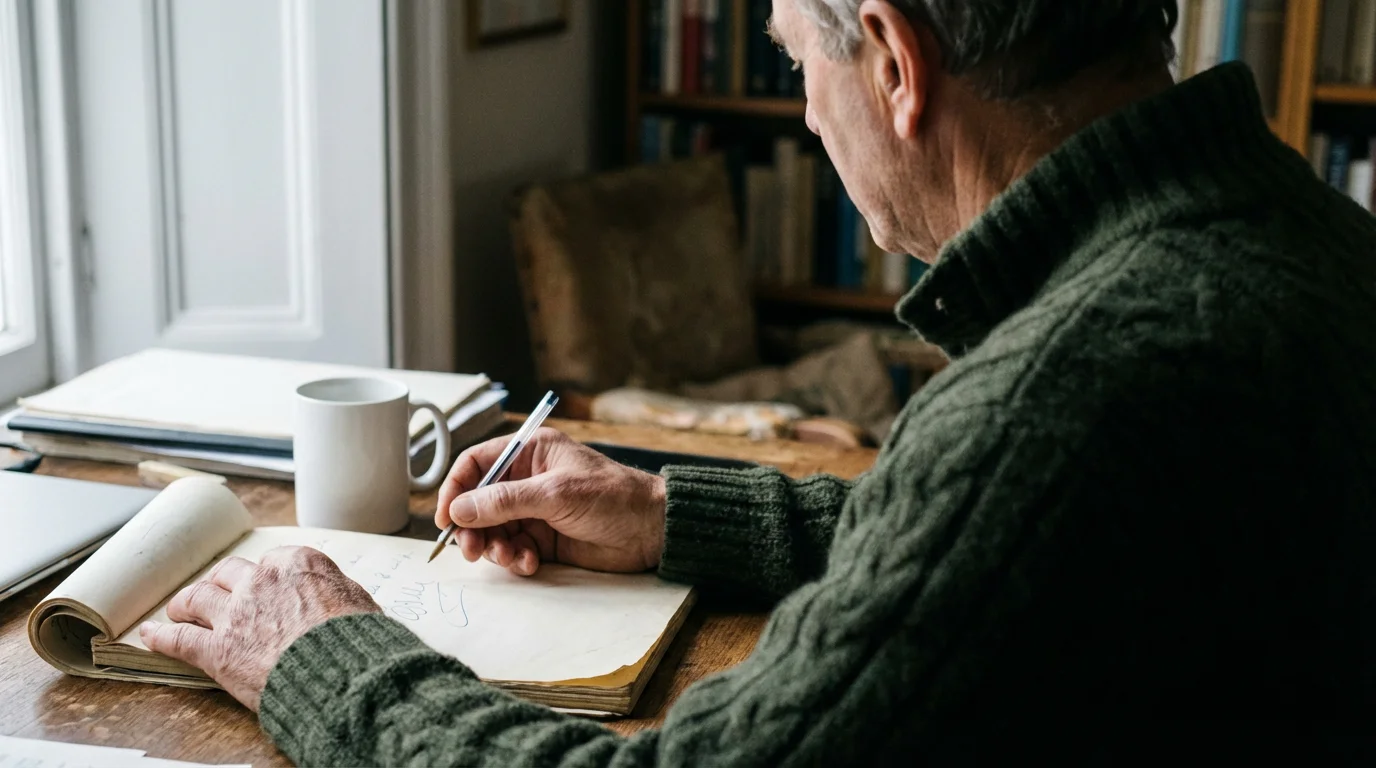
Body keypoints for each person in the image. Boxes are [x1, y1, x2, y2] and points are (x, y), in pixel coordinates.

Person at [140, 0, 1376, 763]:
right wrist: (673, 512)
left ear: (892, 62)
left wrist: (322, 653)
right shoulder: (1288, 237)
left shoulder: (1066, 394)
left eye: (796, 62)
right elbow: (1041, 554)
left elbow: (1022, 486)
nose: (800, 116)